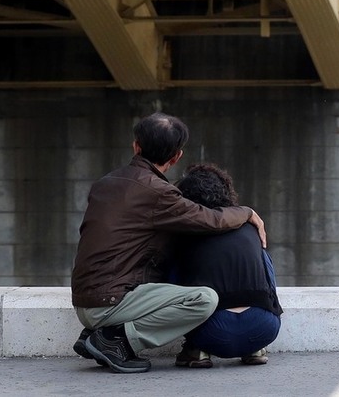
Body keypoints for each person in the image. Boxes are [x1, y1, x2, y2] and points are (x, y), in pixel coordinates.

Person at [69, 112, 266, 374]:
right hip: (112, 301)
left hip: (86, 298)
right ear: (176, 157)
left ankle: (100, 333)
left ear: (135, 145)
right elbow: (209, 218)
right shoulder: (158, 193)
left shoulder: (105, 183)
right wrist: (247, 212)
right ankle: (116, 342)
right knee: (203, 299)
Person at [168, 163, 282, 368]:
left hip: (211, 333)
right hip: (265, 328)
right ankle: (254, 348)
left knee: (175, 268)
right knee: (262, 254)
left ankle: (197, 350)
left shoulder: (182, 232)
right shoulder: (250, 225)